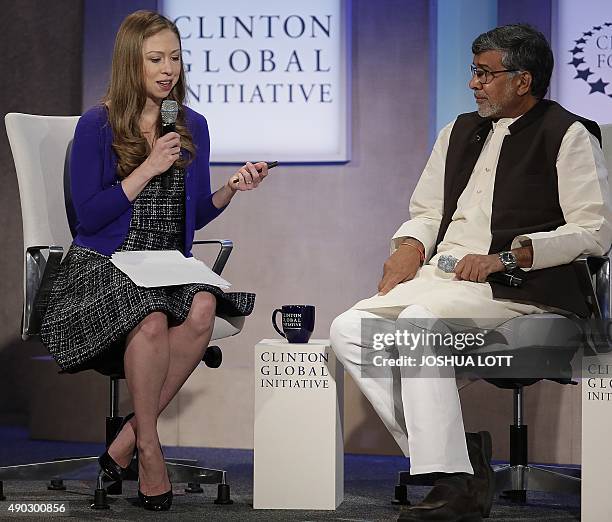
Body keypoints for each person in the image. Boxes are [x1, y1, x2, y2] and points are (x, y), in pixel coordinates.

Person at [330, 24, 612, 521]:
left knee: (417, 325)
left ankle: (453, 483)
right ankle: (458, 461)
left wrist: (510, 255)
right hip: (444, 279)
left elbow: (594, 230)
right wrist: (411, 244)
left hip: (521, 286)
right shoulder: (457, 131)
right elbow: (426, 209)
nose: (473, 84)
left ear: (522, 80)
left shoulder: (567, 134)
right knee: (350, 330)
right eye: (473, 72)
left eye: (485, 74)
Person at [39, 10, 268, 511]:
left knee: (205, 305)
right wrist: (147, 168)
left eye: (176, 58)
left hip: (167, 263)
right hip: (105, 263)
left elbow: (194, 217)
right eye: (156, 59)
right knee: (150, 317)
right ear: (131, 63)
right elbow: (90, 217)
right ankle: (147, 448)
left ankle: (125, 439)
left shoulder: (193, 126)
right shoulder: (99, 124)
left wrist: (231, 189)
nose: (169, 70)